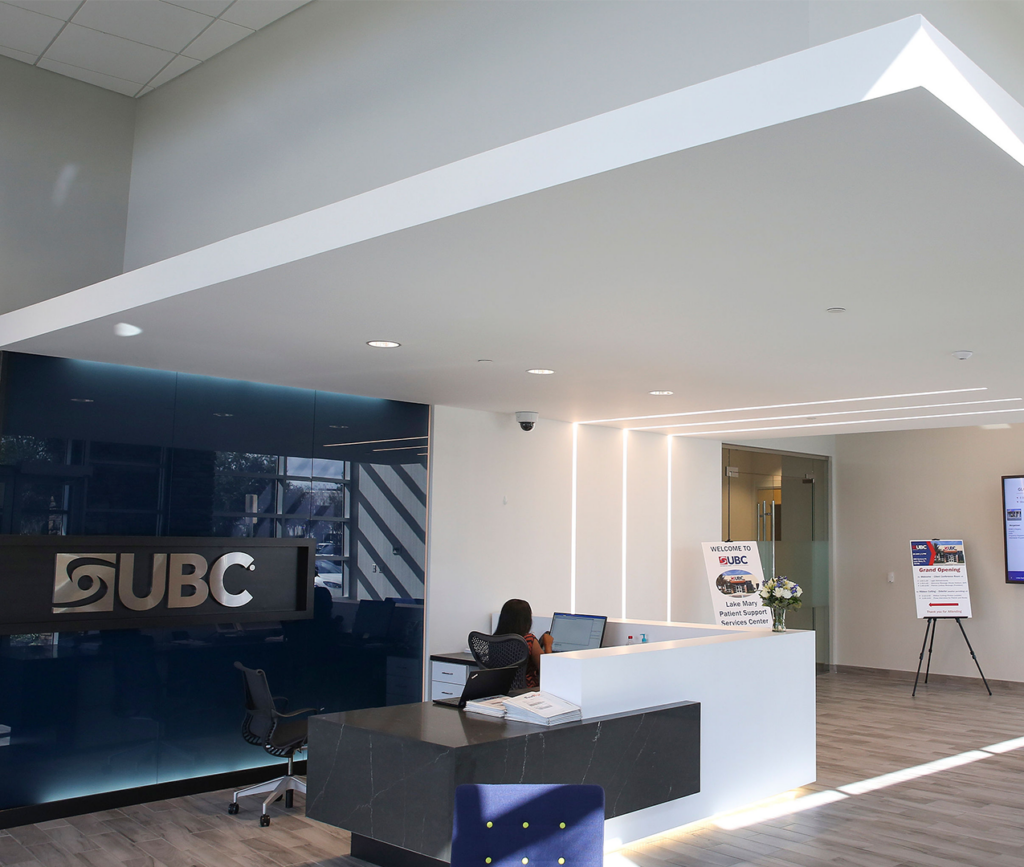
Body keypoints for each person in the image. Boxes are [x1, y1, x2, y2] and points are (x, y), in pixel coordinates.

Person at [494, 599, 552, 689]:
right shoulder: (528, 640)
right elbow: (548, 670)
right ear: (527, 620)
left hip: (499, 689)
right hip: (525, 691)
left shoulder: (494, 640)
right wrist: (548, 645)